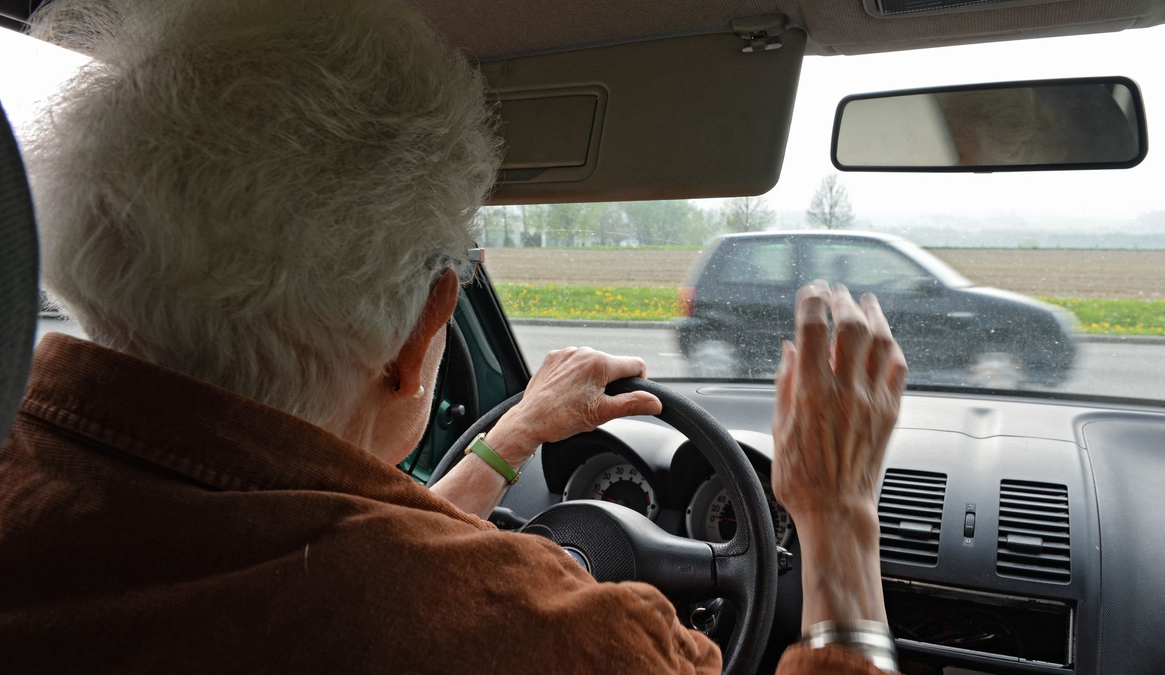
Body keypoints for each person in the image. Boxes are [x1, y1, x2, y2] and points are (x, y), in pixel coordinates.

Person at [0, 0, 906, 673]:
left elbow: (311, 518)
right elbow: (375, 565)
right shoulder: (549, 638)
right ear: (422, 328)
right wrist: (837, 522)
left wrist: (511, 438)